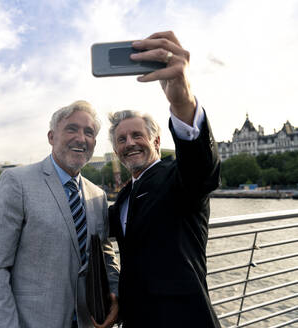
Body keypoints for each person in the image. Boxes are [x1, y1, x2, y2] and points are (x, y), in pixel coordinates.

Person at [107, 31, 221, 327]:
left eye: (137, 135)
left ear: (156, 142)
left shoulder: (176, 177)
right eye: (121, 139)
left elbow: (201, 170)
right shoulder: (122, 198)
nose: (129, 143)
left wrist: (183, 104)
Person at [0, 100, 120, 328]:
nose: (81, 138)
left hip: (89, 321)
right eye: (71, 129)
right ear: (51, 137)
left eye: (89, 132)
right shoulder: (16, 182)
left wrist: (115, 293)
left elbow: (105, 253)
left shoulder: (98, 196)